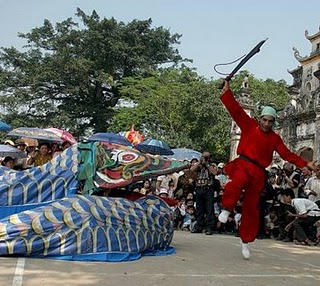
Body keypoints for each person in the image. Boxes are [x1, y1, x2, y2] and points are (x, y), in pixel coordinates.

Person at [218, 81, 317, 259]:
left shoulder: (275, 138)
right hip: (243, 164)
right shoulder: (249, 126)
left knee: (251, 208)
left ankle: (245, 241)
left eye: (270, 121)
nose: (267, 123)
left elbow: (287, 154)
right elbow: (235, 110)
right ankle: (226, 208)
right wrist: (227, 92)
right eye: (264, 120)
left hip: (258, 172)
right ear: (260, 118)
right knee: (237, 183)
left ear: (273, 122)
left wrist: (304, 164)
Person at [190, 151, 221, 235]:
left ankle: (209, 227)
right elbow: (191, 170)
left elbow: (214, 172)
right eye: (203, 156)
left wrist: (207, 164)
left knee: (209, 209)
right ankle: (199, 226)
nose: (204, 158)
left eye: (206, 157)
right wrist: (200, 162)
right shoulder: (199, 165)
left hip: (208, 189)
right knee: (199, 209)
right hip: (199, 188)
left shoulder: (212, 165)